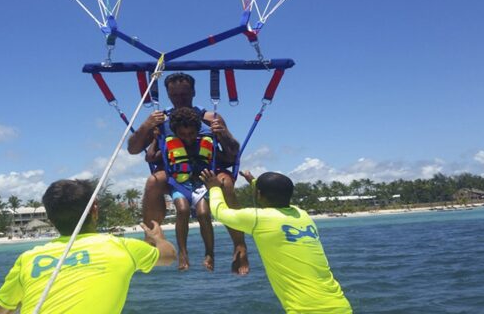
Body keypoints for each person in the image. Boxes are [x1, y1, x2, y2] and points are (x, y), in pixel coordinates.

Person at [0, 179, 176, 314]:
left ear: (50, 219)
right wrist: (157, 238)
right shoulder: (122, 247)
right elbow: (168, 256)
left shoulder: (29, 259)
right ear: (95, 211)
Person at [127, 72, 250, 275]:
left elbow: (233, 152)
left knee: (226, 183)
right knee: (152, 182)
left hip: (208, 172)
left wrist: (224, 134)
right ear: (168, 94)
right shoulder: (159, 119)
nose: (180, 99)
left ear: (193, 92)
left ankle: (239, 245)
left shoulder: (211, 118)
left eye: (184, 95)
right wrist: (146, 125)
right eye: (175, 96)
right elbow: (133, 149)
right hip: (175, 175)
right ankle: (153, 240)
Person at [201, 168, 353, 313]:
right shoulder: (302, 215)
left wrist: (214, 188)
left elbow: (220, 212)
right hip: (340, 306)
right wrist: (253, 182)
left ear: (259, 194)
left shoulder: (259, 219)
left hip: (306, 310)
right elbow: (278, 193)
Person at [145, 107, 232, 271]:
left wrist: (222, 137)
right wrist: (156, 140)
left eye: (191, 134)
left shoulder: (205, 142)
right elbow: (149, 157)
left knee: (204, 213)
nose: (188, 138)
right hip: (179, 183)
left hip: (200, 184)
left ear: (197, 131)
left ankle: (209, 253)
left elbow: (229, 158)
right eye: (183, 135)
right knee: (183, 210)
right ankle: (183, 253)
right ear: (176, 132)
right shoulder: (169, 144)